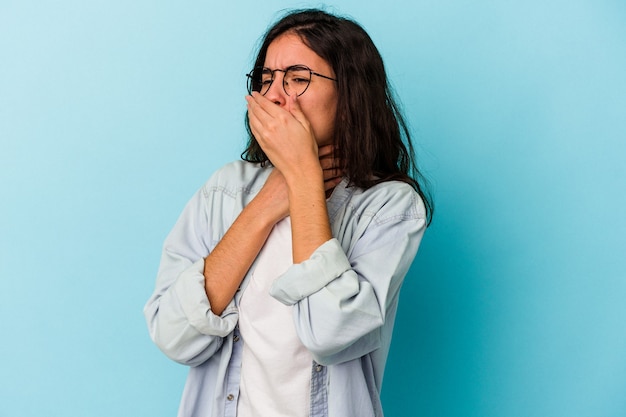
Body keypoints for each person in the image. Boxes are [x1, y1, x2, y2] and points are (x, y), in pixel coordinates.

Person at [144, 8, 433, 417]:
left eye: (298, 79)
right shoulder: (226, 190)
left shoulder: (389, 208)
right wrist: (265, 204)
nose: (276, 95)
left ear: (350, 95)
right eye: (266, 80)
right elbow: (174, 335)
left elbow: (330, 332)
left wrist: (302, 177)